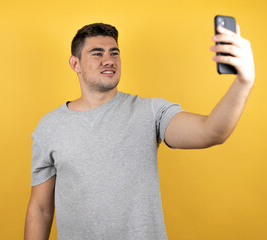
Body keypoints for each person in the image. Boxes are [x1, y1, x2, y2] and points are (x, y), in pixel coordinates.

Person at [24, 23, 255, 240]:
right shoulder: (49, 126)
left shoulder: (151, 112)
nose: (109, 60)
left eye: (114, 53)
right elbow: (41, 208)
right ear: (75, 64)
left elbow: (211, 132)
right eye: (97, 53)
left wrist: (243, 82)